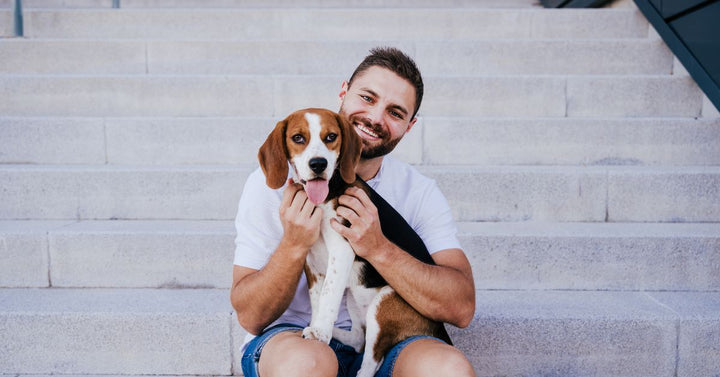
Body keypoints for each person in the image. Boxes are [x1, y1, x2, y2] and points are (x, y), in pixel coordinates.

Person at [231, 47, 476, 377]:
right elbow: (250, 315)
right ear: (344, 92)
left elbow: (461, 307)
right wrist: (293, 244)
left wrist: (378, 248)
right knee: (308, 364)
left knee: (449, 369)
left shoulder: (419, 192)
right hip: (292, 337)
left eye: (395, 112)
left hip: (388, 341)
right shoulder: (268, 186)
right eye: (368, 97)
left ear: (410, 125)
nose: (375, 118)